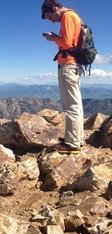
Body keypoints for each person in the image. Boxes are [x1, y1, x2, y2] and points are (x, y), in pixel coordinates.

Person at [42, 0, 85, 155]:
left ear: (55, 8)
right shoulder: (74, 16)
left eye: (51, 16)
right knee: (75, 104)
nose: (52, 20)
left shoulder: (67, 16)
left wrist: (53, 37)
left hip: (68, 65)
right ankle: (77, 139)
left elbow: (67, 43)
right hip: (73, 65)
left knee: (71, 105)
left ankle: (72, 144)